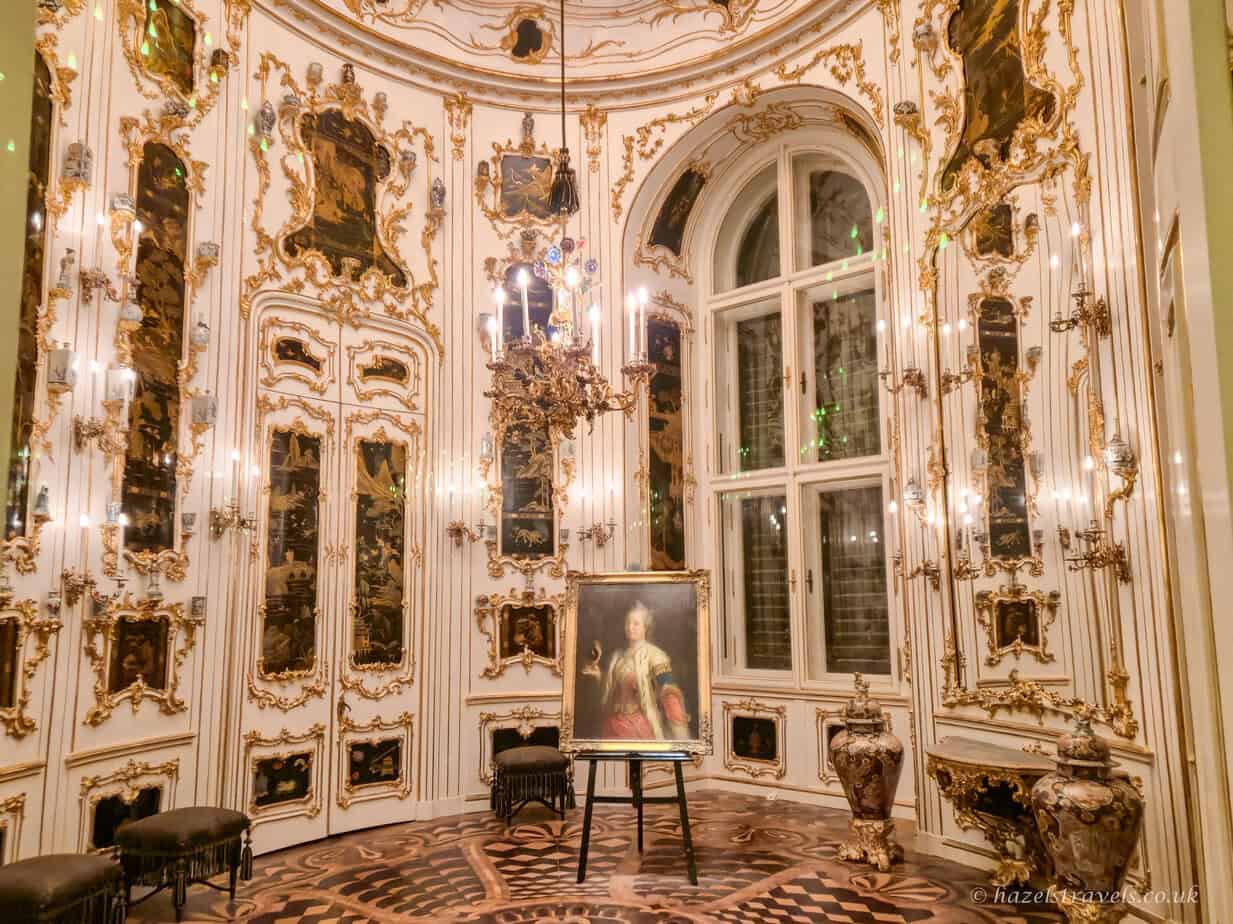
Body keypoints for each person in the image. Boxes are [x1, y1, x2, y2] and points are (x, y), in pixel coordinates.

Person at [582, 601, 691, 740]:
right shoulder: (618, 657)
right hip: (613, 724)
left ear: (646, 627)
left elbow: (668, 692)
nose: (630, 627)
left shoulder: (656, 656)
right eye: (627, 623)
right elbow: (612, 693)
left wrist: (681, 736)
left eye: (636, 623)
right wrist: (599, 677)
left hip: (639, 725)